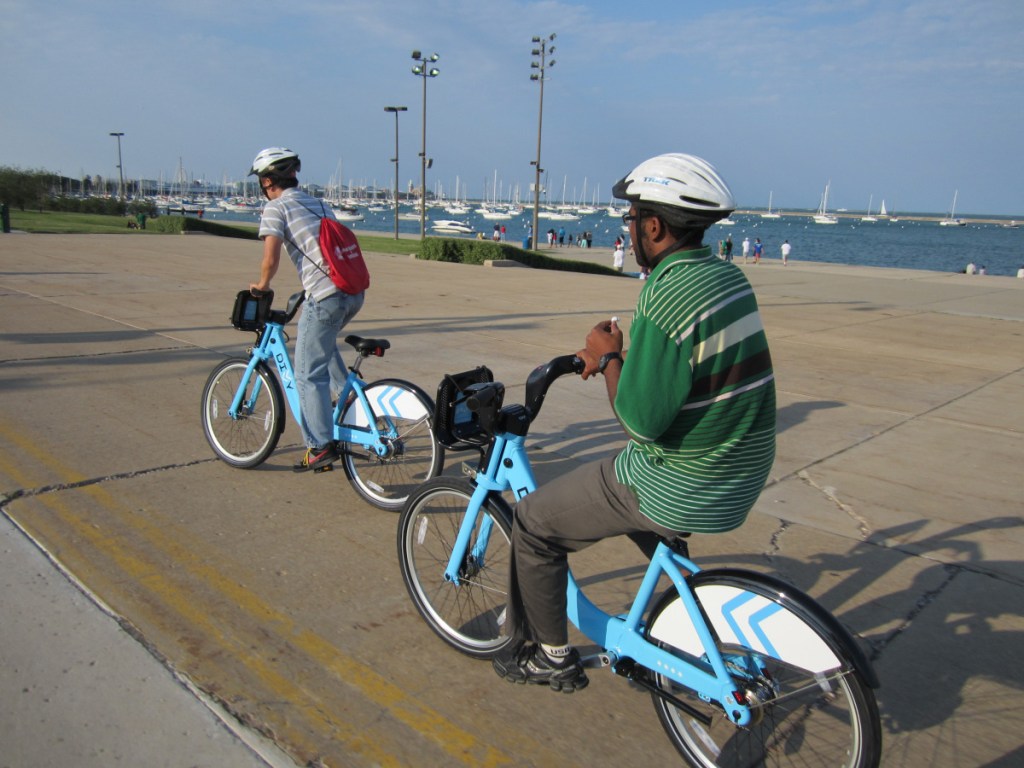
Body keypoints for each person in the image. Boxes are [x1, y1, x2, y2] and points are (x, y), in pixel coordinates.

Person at [493, 153, 777, 692]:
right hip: (739, 472)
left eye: (631, 218)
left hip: (683, 480)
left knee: (532, 523)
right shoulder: (728, 276)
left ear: (653, 226)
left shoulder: (665, 292)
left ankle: (549, 656)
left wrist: (609, 355)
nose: (628, 227)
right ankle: (680, 621)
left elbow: (641, 424)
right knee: (632, 509)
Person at [248, 147, 365, 473]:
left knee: (306, 374)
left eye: (262, 179)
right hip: (353, 292)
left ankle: (319, 447)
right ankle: (352, 400)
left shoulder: (275, 207)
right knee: (321, 347)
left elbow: (270, 259)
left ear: (268, 180)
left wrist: (262, 285)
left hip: (326, 296)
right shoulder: (318, 202)